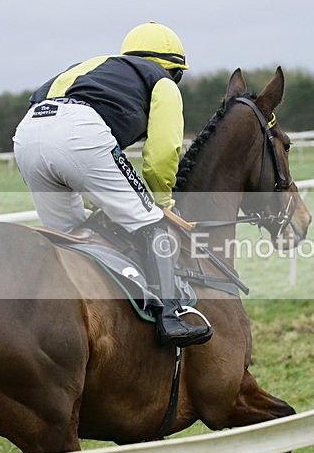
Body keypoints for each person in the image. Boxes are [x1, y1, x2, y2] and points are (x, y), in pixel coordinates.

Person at [13, 21, 210, 347]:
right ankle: (170, 316)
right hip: (79, 131)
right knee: (151, 222)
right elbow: (162, 152)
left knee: (71, 238)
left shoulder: (100, 68)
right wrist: (162, 203)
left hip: (28, 133)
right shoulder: (161, 81)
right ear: (174, 69)